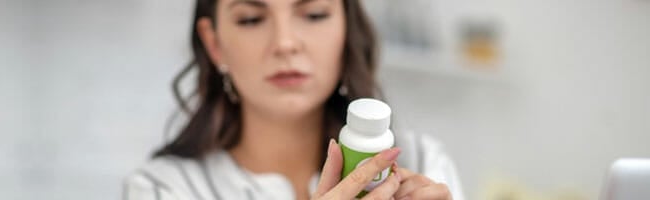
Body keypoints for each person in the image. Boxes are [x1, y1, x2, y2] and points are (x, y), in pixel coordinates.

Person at [124, 0, 463, 199]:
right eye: (251, 19)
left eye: (314, 14)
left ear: (347, 28)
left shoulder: (423, 163)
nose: (285, 43)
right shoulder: (162, 189)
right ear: (214, 43)